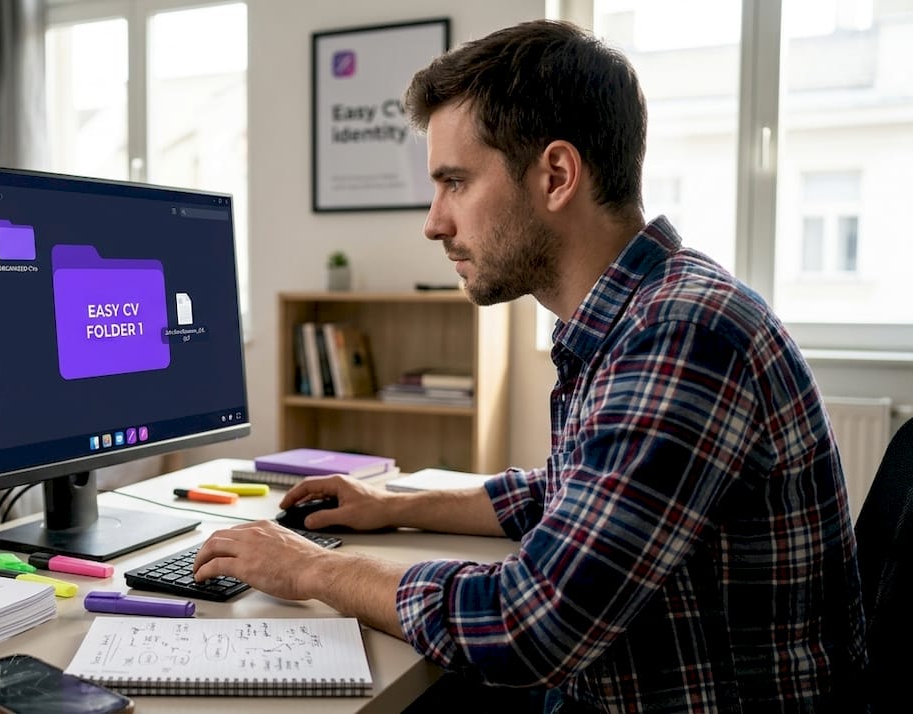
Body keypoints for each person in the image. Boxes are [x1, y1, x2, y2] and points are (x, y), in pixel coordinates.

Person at [194, 18, 867, 712]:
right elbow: (577, 491)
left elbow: (527, 624)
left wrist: (313, 567)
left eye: (455, 181)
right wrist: (394, 505)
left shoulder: (683, 333)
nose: (434, 222)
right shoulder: (638, 313)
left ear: (556, 175)